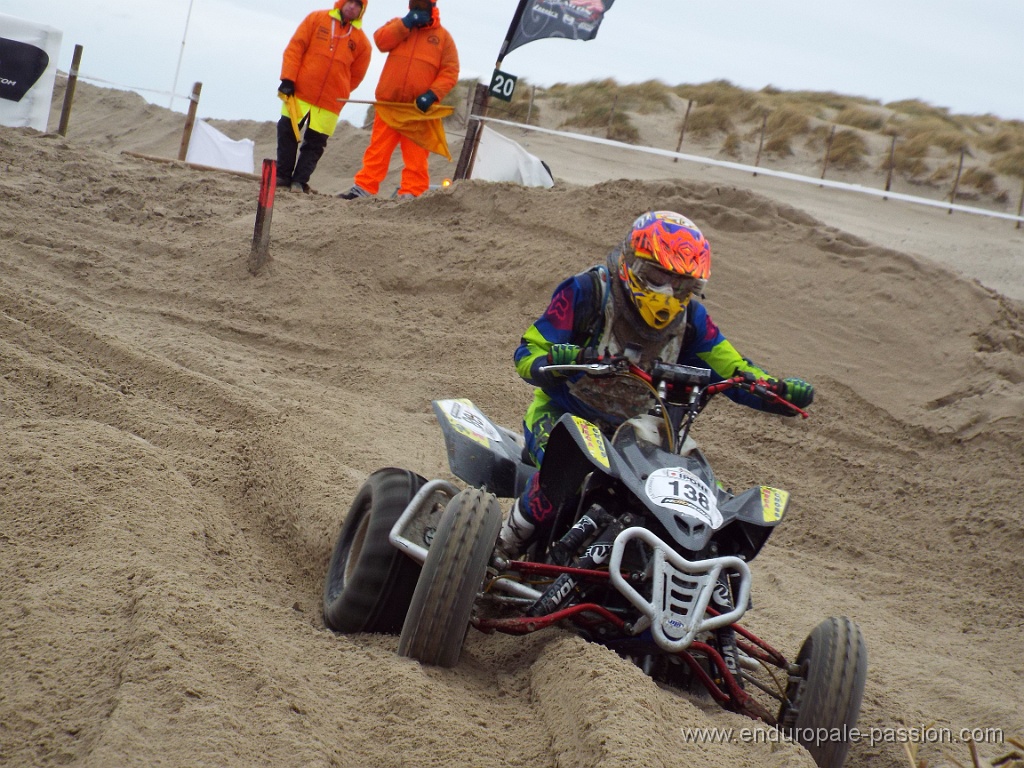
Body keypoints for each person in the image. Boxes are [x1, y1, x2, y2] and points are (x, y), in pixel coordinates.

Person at [495, 210, 816, 559]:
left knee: (704, 510)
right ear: (632, 262)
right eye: (658, 274)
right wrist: (554, 362)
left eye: (680, 283)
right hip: (566, 417)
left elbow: (735, 369)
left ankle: (708, 587)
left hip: (645, 438)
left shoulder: (692, 320)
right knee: (568, 472)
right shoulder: (589, 291)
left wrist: (776, 391)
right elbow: (529, 350)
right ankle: (501, 547)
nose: (667, 291)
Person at [338, 0, 459, 200]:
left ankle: (412, 194)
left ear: (432, 7)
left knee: (417, 157)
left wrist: (432, 94)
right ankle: (363, 189)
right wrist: (405, 24)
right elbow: (380, 41)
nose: (417, 8)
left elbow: (450, 71)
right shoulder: (400, 24)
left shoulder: (443, 38)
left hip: (418, 112)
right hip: (389, 105)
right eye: (414, 5)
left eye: (422, 5)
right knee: (377, 151)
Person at [276, 0, 372, 193]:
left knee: (315, 143)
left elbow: (356, 76)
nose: (352, 6)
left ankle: (299, 181)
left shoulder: (363, 43)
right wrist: (288, 79)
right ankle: (282, 177)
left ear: (362, 11)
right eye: (350, 1)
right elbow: (295, 48)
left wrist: (340, 89)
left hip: (330, 102)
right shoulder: (316, 19)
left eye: (358, 5)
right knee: (287, 130)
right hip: (300, 91)